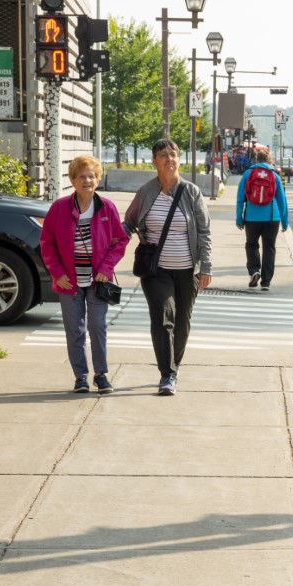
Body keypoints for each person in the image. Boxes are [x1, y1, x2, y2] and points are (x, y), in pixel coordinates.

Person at [124, 139, 213, 396]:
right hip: (156, 270)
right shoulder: (145, 192)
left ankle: (174, 364)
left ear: (179, 159)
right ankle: (167, 374)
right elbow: (128, 223)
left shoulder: (191, 192)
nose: (169, 159)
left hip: (188, 270)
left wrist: (205, 266)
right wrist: (110, 243)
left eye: (173, 154)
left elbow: (204, 232)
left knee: (182, 323)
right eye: (163, 155)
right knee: (163, 318)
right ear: (154, 161)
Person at [39, 155, 127, 393]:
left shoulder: (106, 207)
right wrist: (57, 273)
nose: (87, 180)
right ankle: (80, 376)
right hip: (69, 281)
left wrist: (106, 268)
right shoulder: (59, 208)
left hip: (98, 281)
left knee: (97, 326)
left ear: (98, 179)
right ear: (73, 180)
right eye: (82, 176)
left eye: (92, 176)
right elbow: (46, 242)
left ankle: (101, 374)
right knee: (74, 330)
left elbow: (120, 240)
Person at [236, 146, 289, 291]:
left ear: (256, 160)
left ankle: (254, 271)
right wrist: (285, 221)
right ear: (269, 161)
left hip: (252, 218)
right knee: (269, 248)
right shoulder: (275, 176)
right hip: (272, 218)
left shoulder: (248, 174)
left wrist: (239, 219)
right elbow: (282, 201)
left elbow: (240, 198)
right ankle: (266, 282)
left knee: (251, 244)